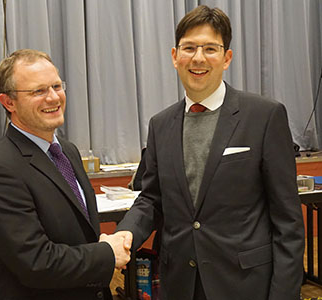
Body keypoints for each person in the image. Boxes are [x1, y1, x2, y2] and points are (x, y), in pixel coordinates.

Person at [116, 5, 304, 300]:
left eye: (210, 48)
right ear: (175, 56)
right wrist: (124, 233)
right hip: (179, 283)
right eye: (189, 48)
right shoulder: (160, 125)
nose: (199, 58)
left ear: (226, 58)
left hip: (245, 284)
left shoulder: (264, 117)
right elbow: (152, 199)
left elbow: (288, 222)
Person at [0, 49, 131, 300]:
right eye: (38, 91)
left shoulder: (66, 151)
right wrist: (107, 253)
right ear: (8, 102)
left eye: (57, 86)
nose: (53, 97)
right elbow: (36, 263)